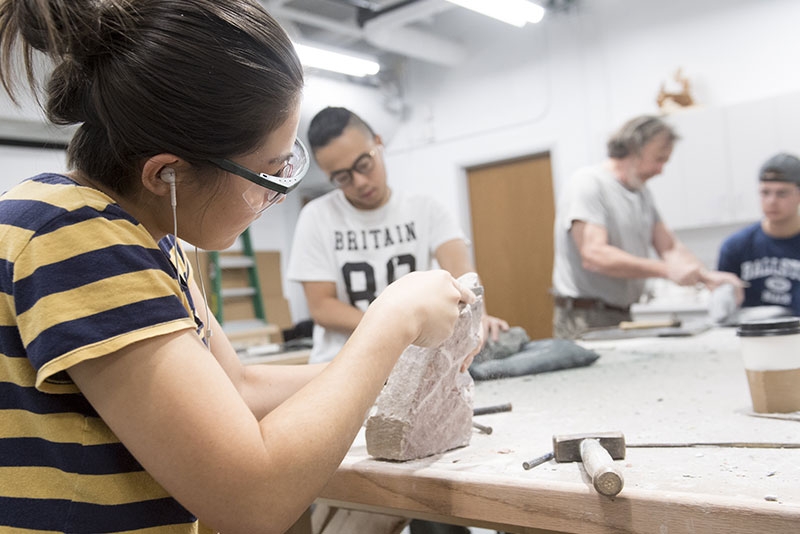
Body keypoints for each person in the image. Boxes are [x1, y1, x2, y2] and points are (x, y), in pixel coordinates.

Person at [0, 2, 476, 533]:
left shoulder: (140, 235)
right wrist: (393, 322)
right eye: (270, 174)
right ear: (168, 174)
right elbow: (252, 500)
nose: (274, 195)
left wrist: (399, 371)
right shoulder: (74, 237)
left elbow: (240, 387)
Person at [287, 106, 509, 365]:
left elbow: (464, 276)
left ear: (378, 143)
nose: (359, 182)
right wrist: (399, 329)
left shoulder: (426, 209)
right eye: (342, 177)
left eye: (364, 164)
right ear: (327, 174)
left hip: (415, 360)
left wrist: (477, 316)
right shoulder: (316, 217)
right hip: (342, 362)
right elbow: (322, 307)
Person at [551, 114, 742, 339]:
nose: (660, 170)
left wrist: (706, 276)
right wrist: (666, 270)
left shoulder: (641, 193)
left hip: (620, 314)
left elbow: (669, 246)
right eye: (658, 159)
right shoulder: (589, 184)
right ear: (634, 149)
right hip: (585, 317)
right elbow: (594, 255)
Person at [717, 153, 800, 315]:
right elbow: (724, 306)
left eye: (782, 193)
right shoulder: (735, 246)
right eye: (765, 193)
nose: (771, 201)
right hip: (752, 336)